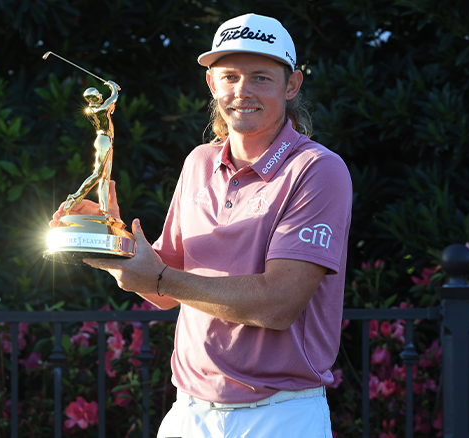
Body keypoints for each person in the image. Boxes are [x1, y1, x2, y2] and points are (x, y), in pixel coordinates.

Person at [51, 13, 352, 438]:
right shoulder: (199, 162)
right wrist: (111, 236)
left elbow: (278, 304)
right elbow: (163, 291)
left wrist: (159, 276)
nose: (242, 91)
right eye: (229, 77)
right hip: (188, 412)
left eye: (261, 78)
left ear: (292, 85)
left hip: (280, 415)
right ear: (212, 84)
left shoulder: (318, 170)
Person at [62, 80, 120, 219]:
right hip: (104, 141)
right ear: (92, 100)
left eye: (99, 93)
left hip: (108, 141)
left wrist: (113, 91)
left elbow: (111, 103)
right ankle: (74, 198)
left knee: (105, 177)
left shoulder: (93, 109)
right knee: (98, 174)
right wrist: (113, 87)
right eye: (97, 95)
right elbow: (113, 98)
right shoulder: (97, 110)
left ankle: (104, 211)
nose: (100, 95)